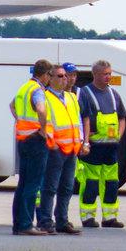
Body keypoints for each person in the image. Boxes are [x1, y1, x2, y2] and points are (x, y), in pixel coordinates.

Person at [77, 59, 126, 229]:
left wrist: (119, 137)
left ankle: (110, 218)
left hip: (111, 149)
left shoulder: (114, 94)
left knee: (111, 183)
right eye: (105, 74)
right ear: (95, 74)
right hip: (92, 149)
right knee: (90, 184)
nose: (109, 77)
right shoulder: (84, 93)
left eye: (110, 73)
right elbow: (79, 118)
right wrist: (84, 139)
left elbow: (122, 118)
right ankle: (88, 218)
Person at [11, 59, 55, 236]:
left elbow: (12, 105)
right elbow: (41, 109)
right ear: (45, 74)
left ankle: (19, 223)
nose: (50, 79)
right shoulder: (37, 90)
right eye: (50, 76)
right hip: (36, 140)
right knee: (33, 183)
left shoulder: (24, 88)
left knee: (23, 184)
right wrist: (43, 130)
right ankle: (26, 224)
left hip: (23, 139)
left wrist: (20, 121)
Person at [39, 63, 84, 235]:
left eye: (65, 76)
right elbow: (44, 123)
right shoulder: (45, 97)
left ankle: (62, 220)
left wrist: (81, 140)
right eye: (60, 76)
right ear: (50, 78)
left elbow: (77, 120)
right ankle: (45, 221)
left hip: (71, 148)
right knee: (50, 187)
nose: (65, 79)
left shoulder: (71, 97)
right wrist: (52, 142)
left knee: (67, 187)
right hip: (55, 149)